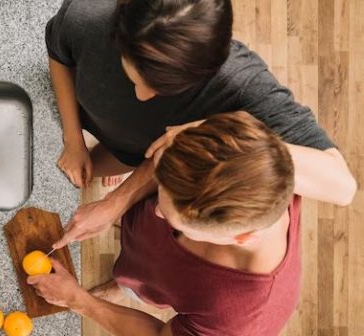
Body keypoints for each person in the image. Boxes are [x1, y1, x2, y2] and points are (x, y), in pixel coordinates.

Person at [47, 0, 356, 247]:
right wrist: (73, 140)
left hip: (137, 154)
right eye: (135, 76)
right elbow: (59, 53)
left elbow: (342, 187)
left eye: (163, 89)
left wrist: (217, 130)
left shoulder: (240, 84)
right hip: (94, 124)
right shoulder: (87, 15)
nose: (141, 96)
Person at [30, 112, 322, 335]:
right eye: (164, 190)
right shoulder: (252, 155)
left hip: (160, 279)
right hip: (144, 252)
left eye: (177, 222)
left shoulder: (236, 318)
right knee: (133, 265)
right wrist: (116, 203)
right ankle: (126, 278)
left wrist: (80, 301)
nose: (155, 212)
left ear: (241, 238)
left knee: (137, 286)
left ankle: (127, 287)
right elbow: (172, 153)